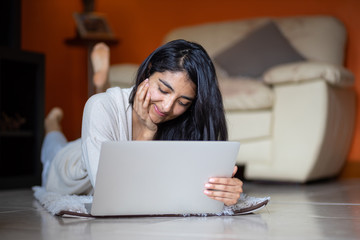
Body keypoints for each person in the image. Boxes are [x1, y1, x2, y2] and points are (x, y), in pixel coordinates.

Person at [41, 39, 243, 206]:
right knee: (53, 150)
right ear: (148, 71)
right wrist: (147, 131)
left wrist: (224, 191)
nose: (166, 107)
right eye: (163, 90)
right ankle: (52, 124)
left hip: (103, 137)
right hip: (71, 165)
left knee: (104, 120)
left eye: (182, 102)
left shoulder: (185, 118)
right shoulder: (99, 107)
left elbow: (186, 187)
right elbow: (112, 192)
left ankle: (102, 85)